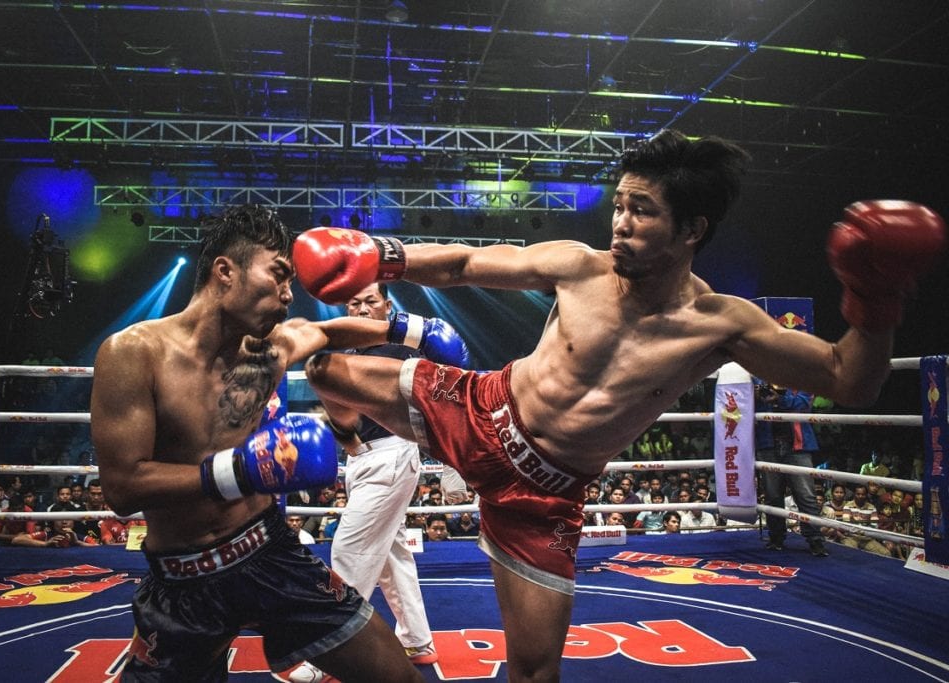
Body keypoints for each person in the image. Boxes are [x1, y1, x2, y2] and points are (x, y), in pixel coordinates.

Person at [294, 129, 946, 682]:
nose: (621, 224)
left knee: (535, 669)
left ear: (693, 229)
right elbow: (466, 261)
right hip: (476, 408)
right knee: (316, 361)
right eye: (620, 206)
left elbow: (848, 379)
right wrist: (385, 256)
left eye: (643, 211)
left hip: (543, 496)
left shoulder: (721, 326)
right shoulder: (580, 266)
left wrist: (875, 299)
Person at [90, 205, 425, 682]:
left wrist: (412, 330)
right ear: (225, 271)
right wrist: (242, 470)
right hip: (183, 578)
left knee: (399, 677)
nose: (289, 296)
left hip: (271, 552)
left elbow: (326, 330)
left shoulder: (265, 353)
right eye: (279, 275)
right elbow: (122, 488)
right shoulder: (135, 353)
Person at [327, 282, 463, 668]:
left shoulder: (402, 352)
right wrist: (350, 443)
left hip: (392, 456)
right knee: (391, 556)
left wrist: (452, 463)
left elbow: (443, 399)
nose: (363, 308)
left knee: (349, 551)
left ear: (387, 306)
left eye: (371, 301)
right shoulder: (348, 353)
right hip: (362, 461)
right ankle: (418, 642)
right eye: (355, 302)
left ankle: (332, 648)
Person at [755, 382, 828, 556]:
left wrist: (780, 398)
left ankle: (815, 539)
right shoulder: (758, 377)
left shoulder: (800, 375)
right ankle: (776, 538)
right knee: (772, 496)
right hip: (768, 444)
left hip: (797, 446)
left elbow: (804, 404)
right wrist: (755, 396)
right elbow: (744, 405)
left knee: (806, 495)